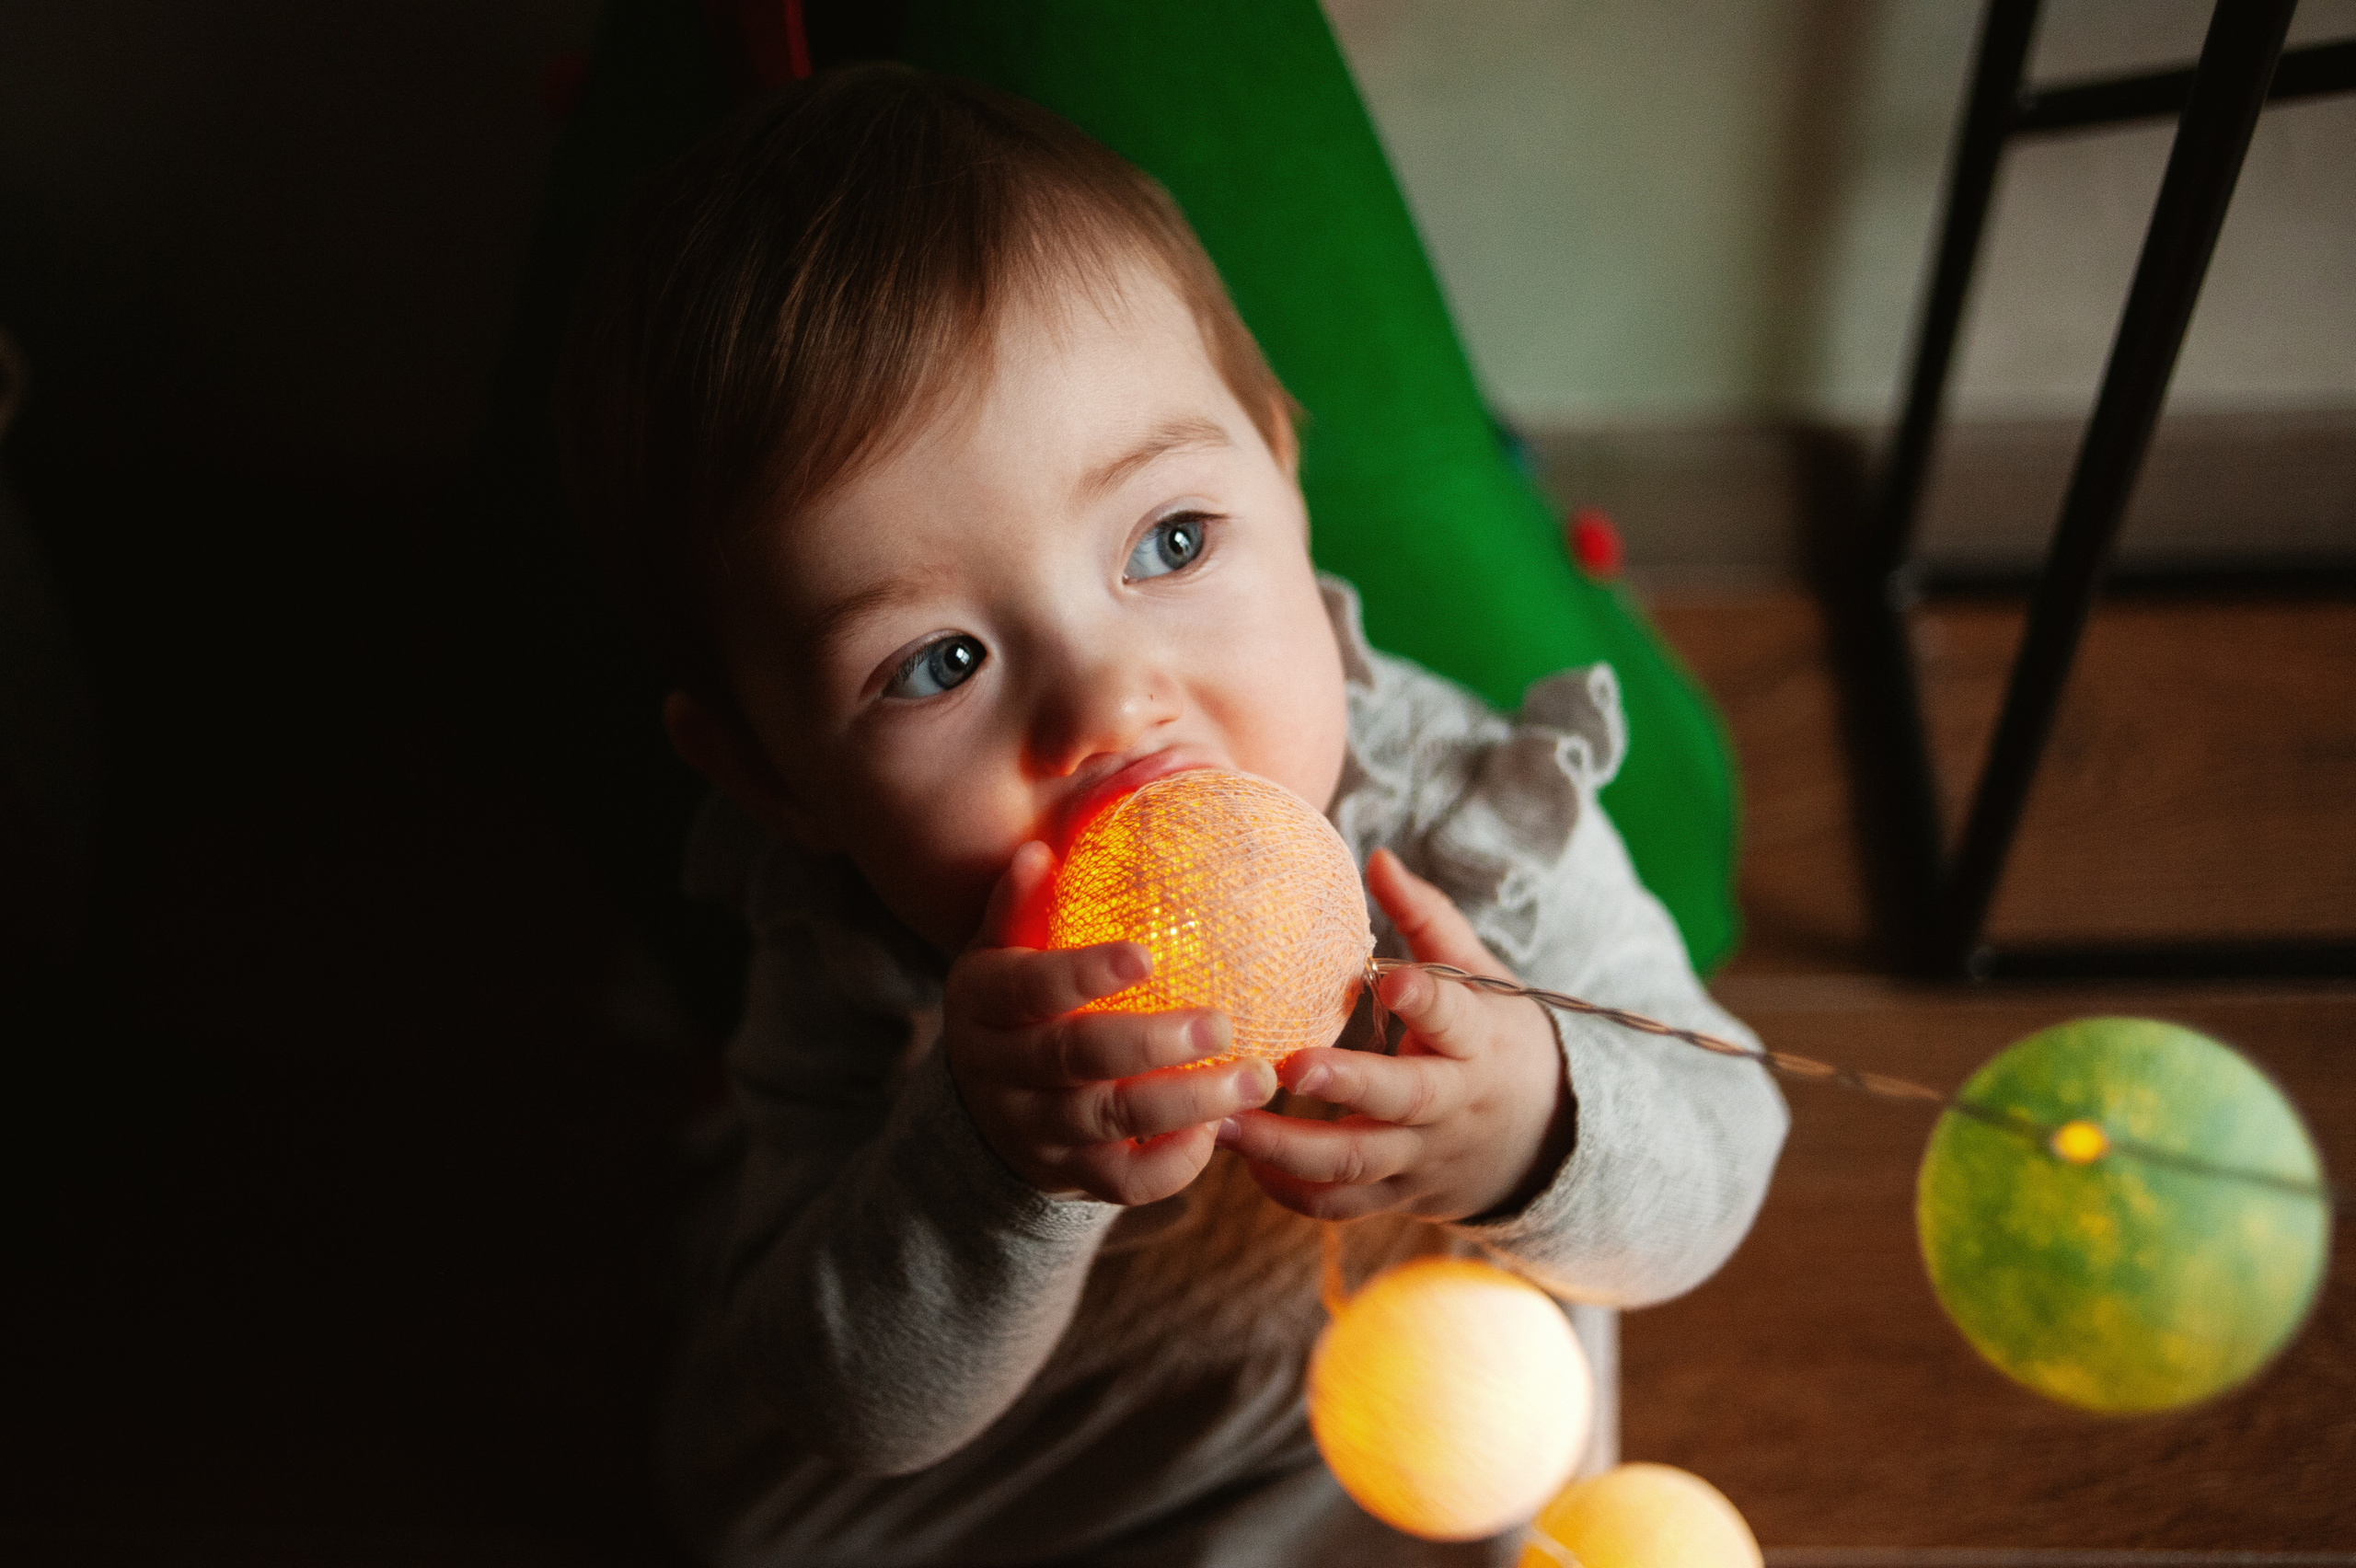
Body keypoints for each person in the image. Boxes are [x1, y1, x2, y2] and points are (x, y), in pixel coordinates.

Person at [559, 62, 1785, 1568]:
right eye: (939, 663)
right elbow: (855, 1406)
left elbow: (1730, 1142)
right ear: (770, 776)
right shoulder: (855, 947)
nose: (1107, 705)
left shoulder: (1460, 821)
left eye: (1172, 540)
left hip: (1386, 1476)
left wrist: (1533, 1123)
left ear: (1282, 473)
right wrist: (988, 1163)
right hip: (994, 1491)